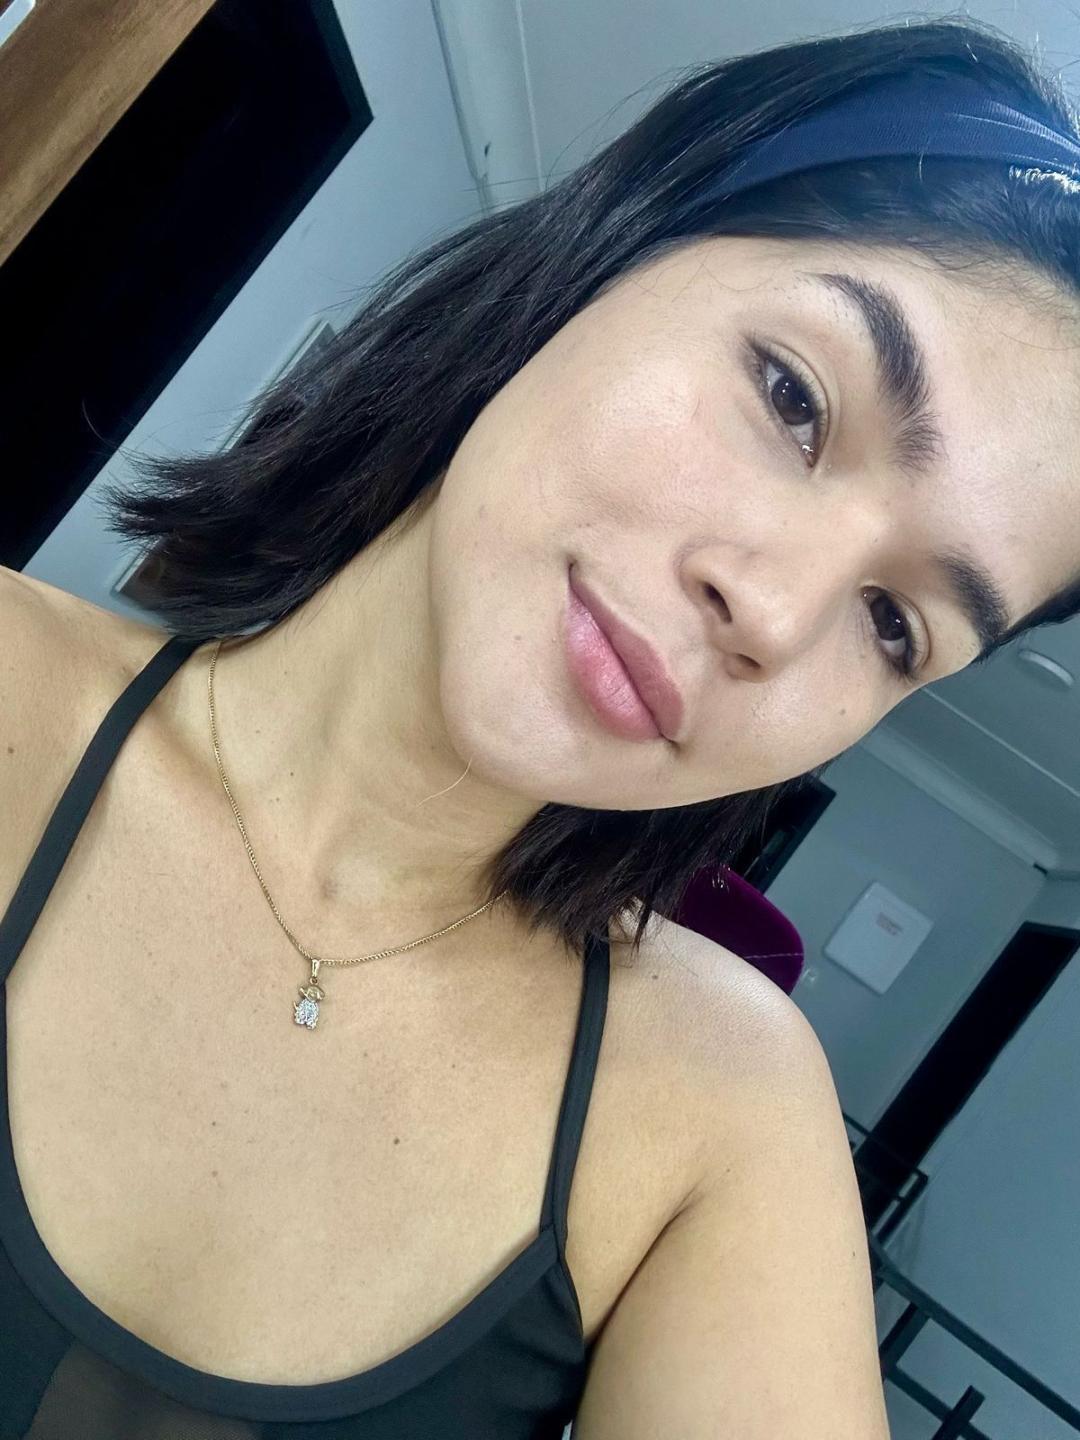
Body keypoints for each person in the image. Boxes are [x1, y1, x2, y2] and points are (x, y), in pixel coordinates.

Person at [2, 12, 1079, 1438]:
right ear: (615, 244)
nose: (772, 612)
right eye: (793, 398)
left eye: (894, 624)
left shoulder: (720, 1124)